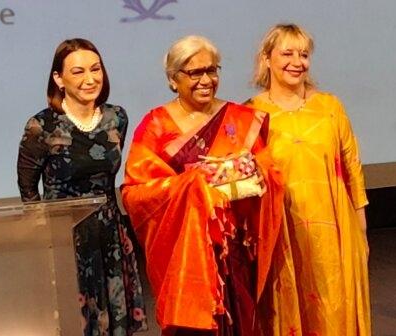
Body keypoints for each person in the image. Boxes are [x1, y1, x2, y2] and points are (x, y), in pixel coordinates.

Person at [121, 35, 284, 336]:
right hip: (186, 255)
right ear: (173, 79)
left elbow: (269, 172)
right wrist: (193, 184)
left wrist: (252, 170)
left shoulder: (240, 118)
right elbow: (136, 193)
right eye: (195, 72)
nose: (206, 80)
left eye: (212, 70)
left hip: (235, 251)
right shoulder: (157, 124)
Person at [246, 23, 371, 336]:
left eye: (303, 54)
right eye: (287, 53)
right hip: (282, 233)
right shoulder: (251, 114)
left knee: (333, 307)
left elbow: (351, 166)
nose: (297, 61)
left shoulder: (330, 107)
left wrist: (361, 229)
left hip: (334, 229)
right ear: (267, 58)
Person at [17, 38, 147, 336]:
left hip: (110, 236)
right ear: (58, 79)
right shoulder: (42, 126)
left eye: (95, 69)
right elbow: (28, 190)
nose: (90, 79)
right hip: (65, 241)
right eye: (78, 72)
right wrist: (45, 239)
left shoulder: (117, 117)